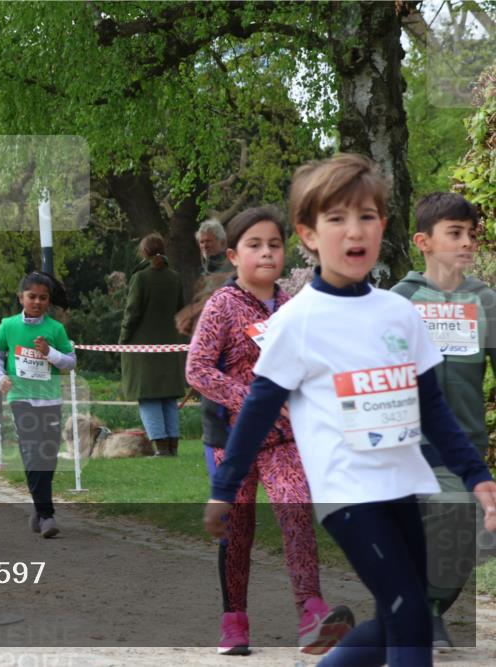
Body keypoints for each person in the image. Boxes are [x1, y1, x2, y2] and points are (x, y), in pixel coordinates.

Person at [203, 154, 496, 667]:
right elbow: (256, 410)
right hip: (347, 495)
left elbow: (432, 408)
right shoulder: (297, 321)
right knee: (410, 621)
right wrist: (225, 488)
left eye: (366, 216)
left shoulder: (400, 313)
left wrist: (477, 475)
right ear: (309, 234)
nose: (353, 230)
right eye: (335, 218)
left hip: (404, 486)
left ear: (382, 225)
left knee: (393, 620)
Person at [187, 206, 353, 655]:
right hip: (233, 440)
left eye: (274, 245)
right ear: (234, 254)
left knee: (296, 511)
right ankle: (234, 621)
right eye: (255, 245)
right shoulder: (221, 306)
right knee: (236, 527)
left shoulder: (294, 306)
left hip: (284, 441)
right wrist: (253, 401)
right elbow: (197, 369)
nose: (266, 253)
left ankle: (313, 613)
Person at [390, 192, 496, 650]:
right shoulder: (400, 299)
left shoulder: (485, 300)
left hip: (466, 445)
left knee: (461, 539)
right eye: (454, 233)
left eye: (471, 234)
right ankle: (421, 614)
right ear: (423, 242)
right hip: (406, 445)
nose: (467, 243)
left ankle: (427, 607)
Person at [0, 271, 76, 538]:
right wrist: (0, 377)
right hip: (21, 398)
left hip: (49, 398)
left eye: (43, 298)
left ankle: (38, 511)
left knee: (47, 456)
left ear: (48, 301)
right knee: (32, 452)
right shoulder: (8, 325)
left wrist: (49, 353)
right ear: (21, 297)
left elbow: (71, 362)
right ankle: (48, 515)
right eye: (32, 297)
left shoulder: (55, 329)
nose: (37, 302)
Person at [119, 232, 186, 456]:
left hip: (142, 347)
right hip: (168, 345)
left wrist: (123, 340)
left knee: (148, 396)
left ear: (144, 252)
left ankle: (160, 448)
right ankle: (172, 446)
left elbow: (132, 313)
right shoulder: (175, 277)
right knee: (168, 397)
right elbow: (180, 310)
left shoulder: (141, 278)